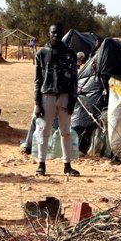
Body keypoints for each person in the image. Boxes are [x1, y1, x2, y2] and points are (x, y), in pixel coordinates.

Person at [34, 23, 80, 177]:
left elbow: (74, 78)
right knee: (44, 131)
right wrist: (37, 103)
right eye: (53, 33)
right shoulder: (41, 54)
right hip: (46, 96)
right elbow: (37, 80)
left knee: (66, 132)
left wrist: (73, 99)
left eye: (58, 33)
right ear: (49, 34)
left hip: (65, 96)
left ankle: (67, 165)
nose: (56, 35)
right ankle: (41, 164)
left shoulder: (70, 54)